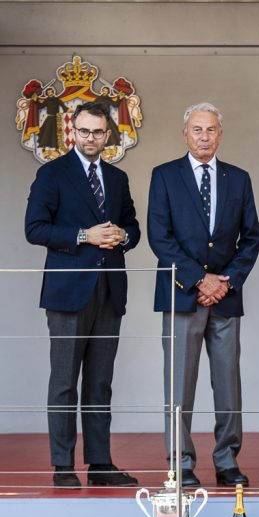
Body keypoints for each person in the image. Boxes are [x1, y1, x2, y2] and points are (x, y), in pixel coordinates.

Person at [24, 101, 141, 488]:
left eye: (98, 132)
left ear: (108, 135)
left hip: (109, 291)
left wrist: (123, 236)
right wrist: (83, 235)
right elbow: (35, 229)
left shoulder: (118, 177)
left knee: (99, 382)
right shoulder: (52, 174)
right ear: (74, 132)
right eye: (85, 131)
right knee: (63, 381)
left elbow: (133, 228)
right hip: (68, 292)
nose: (92, 138)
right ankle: (62, 465)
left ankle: (100, 464)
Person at [147, 102, 259, 487]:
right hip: (183, 296)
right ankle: (180, 461)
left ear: (220, 134)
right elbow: (159, 236)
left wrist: (225, 280)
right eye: (197, 130)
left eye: (211, 130)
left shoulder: (238, 178)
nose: (204, 137)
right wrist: (200, 280)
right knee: (179, 384)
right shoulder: (164, 176)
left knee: (228, 382)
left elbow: (252, 237)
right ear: (185, 133)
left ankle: (227, 459)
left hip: (225, 297)